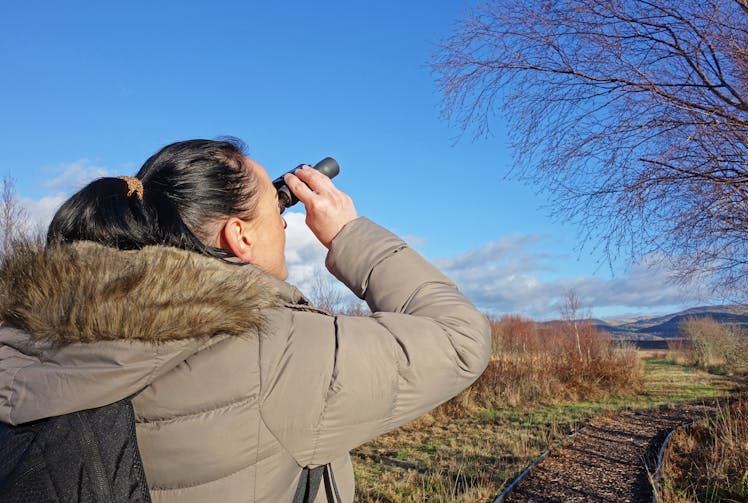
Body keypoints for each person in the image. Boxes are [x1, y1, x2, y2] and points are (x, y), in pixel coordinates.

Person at [0, 139, 491, 502]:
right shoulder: (273, 348)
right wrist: (349, 233)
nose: (283, 221)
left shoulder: (28, 337)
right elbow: (460, 338)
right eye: (274, 206)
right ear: (239, 236)